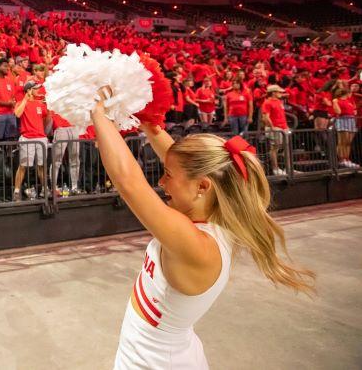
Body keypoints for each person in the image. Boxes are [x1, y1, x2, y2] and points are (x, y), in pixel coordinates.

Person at [91, 88, 315, 369]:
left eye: (167, 175)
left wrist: (97, 110)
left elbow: (129, 182)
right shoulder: (216, 217)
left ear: (202, 187)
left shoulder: (198, 245)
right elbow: (181, 161)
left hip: (157, 363)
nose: (161, 182)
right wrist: (147, 123)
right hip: (157, 352)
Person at [13, 82, 50, 200]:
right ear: (29, 90)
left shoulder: (40, 104)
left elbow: (46, 118)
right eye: (35, 88)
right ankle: (16, 191)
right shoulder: (21, 103)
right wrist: (25, 99)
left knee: (41, 165)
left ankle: (45, 189)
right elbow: (17, 114)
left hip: (41, 137)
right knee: (23, 166)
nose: (38, 90)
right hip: (27, 137)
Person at [50, 112, 82, 195]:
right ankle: (53, 188)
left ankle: (75, 187)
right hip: (60, 128)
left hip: (73, 127)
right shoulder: (52, 100)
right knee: (56, 161)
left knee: (75, 160)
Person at [261, 84, 289, 176]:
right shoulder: (267, 102)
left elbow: (281, 116)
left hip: (283, 128)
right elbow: (265, 117)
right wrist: (273, 127)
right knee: (274, 148)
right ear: (273, 93)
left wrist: (286, 127)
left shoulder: (279, 101)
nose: (281, 93)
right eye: (279, 92)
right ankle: (275, 169)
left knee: (286, 148)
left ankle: (288, 169)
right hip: (275, 128)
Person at [332, 85, 359, 168]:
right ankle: (341, 160)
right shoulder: (337, 100)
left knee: (348, 143)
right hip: (343, 120)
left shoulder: (349, 101)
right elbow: (338, 112)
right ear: (347, 93)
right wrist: (334, 102)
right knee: (342, 142)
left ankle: (347, 159)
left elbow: (354, 112)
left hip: (351, 121)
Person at [0, 58, 18, 141]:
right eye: (5, 66)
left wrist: (13, 102)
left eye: (8, 66)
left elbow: (13, 96)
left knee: (11, 139)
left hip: (11, 114)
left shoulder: (9, 80)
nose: (8, 68)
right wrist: (7, 104)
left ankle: (9, 155)